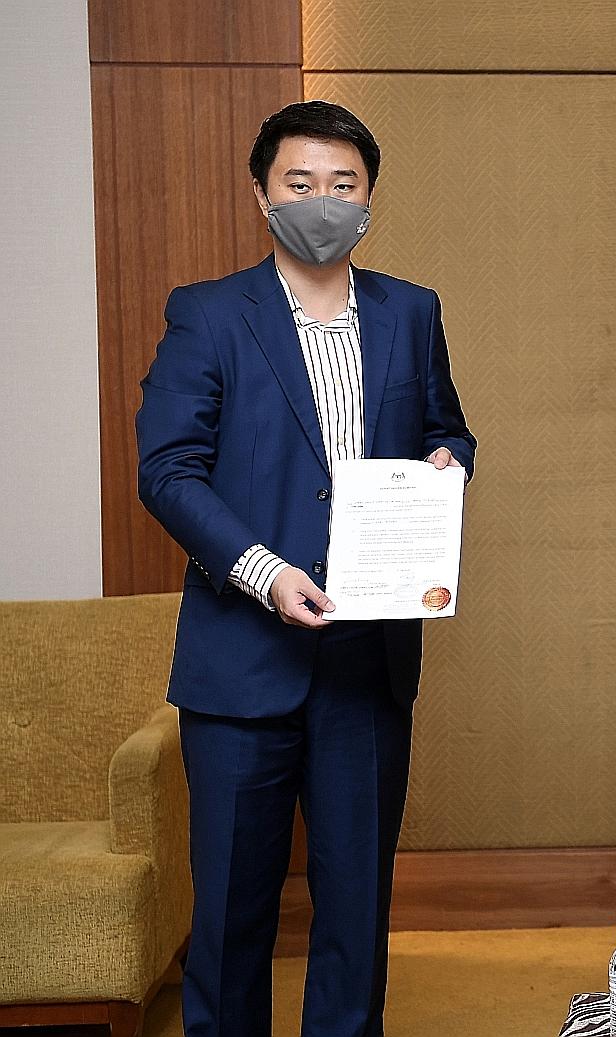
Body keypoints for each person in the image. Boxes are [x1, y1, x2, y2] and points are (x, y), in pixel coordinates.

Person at [136, 100, 476, 1037]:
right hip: (240, 667)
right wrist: (261, 570)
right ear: (261, 194)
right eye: (300, 183)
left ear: (369, 199)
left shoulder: (412, 311)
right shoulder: (207, 315)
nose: (322, 201)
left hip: (365, 668)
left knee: (356, 920)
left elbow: (447, 427)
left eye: (343, 184)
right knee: (232, 924)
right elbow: (166, 469)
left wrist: (448, 464)